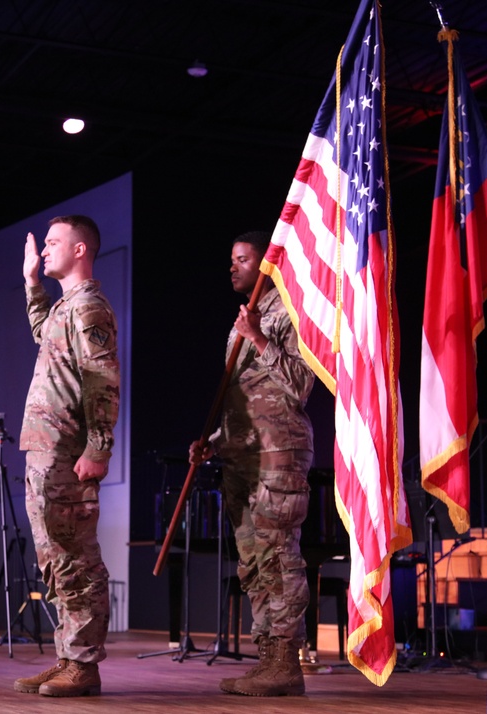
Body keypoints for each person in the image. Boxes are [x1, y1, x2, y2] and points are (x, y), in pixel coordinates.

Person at [190, 230, 315, 697]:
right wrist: (216, 443)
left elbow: (301, 384)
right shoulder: (243, 319)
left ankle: (287, 660)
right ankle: (268, 660)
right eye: (232, 259)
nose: (232, 266)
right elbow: (245, 400)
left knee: (278, 555)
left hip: (278, 453)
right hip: (242, 457)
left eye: (242, 259)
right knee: (253, 563)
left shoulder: (293, 312)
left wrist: (258, 337)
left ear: (267, 265)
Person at [13, 215, 119, 698]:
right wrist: (32, 283)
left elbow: (102, 380)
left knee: (76, 557)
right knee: (55, 560)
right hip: (44, 450)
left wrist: (99, 446)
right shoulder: (63, 309)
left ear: (81, 250)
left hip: (68, 449)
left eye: (55, 242)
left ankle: (84, 664)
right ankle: (66, 657)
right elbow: (43, 334)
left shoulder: (90, 308)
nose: (46, 249)